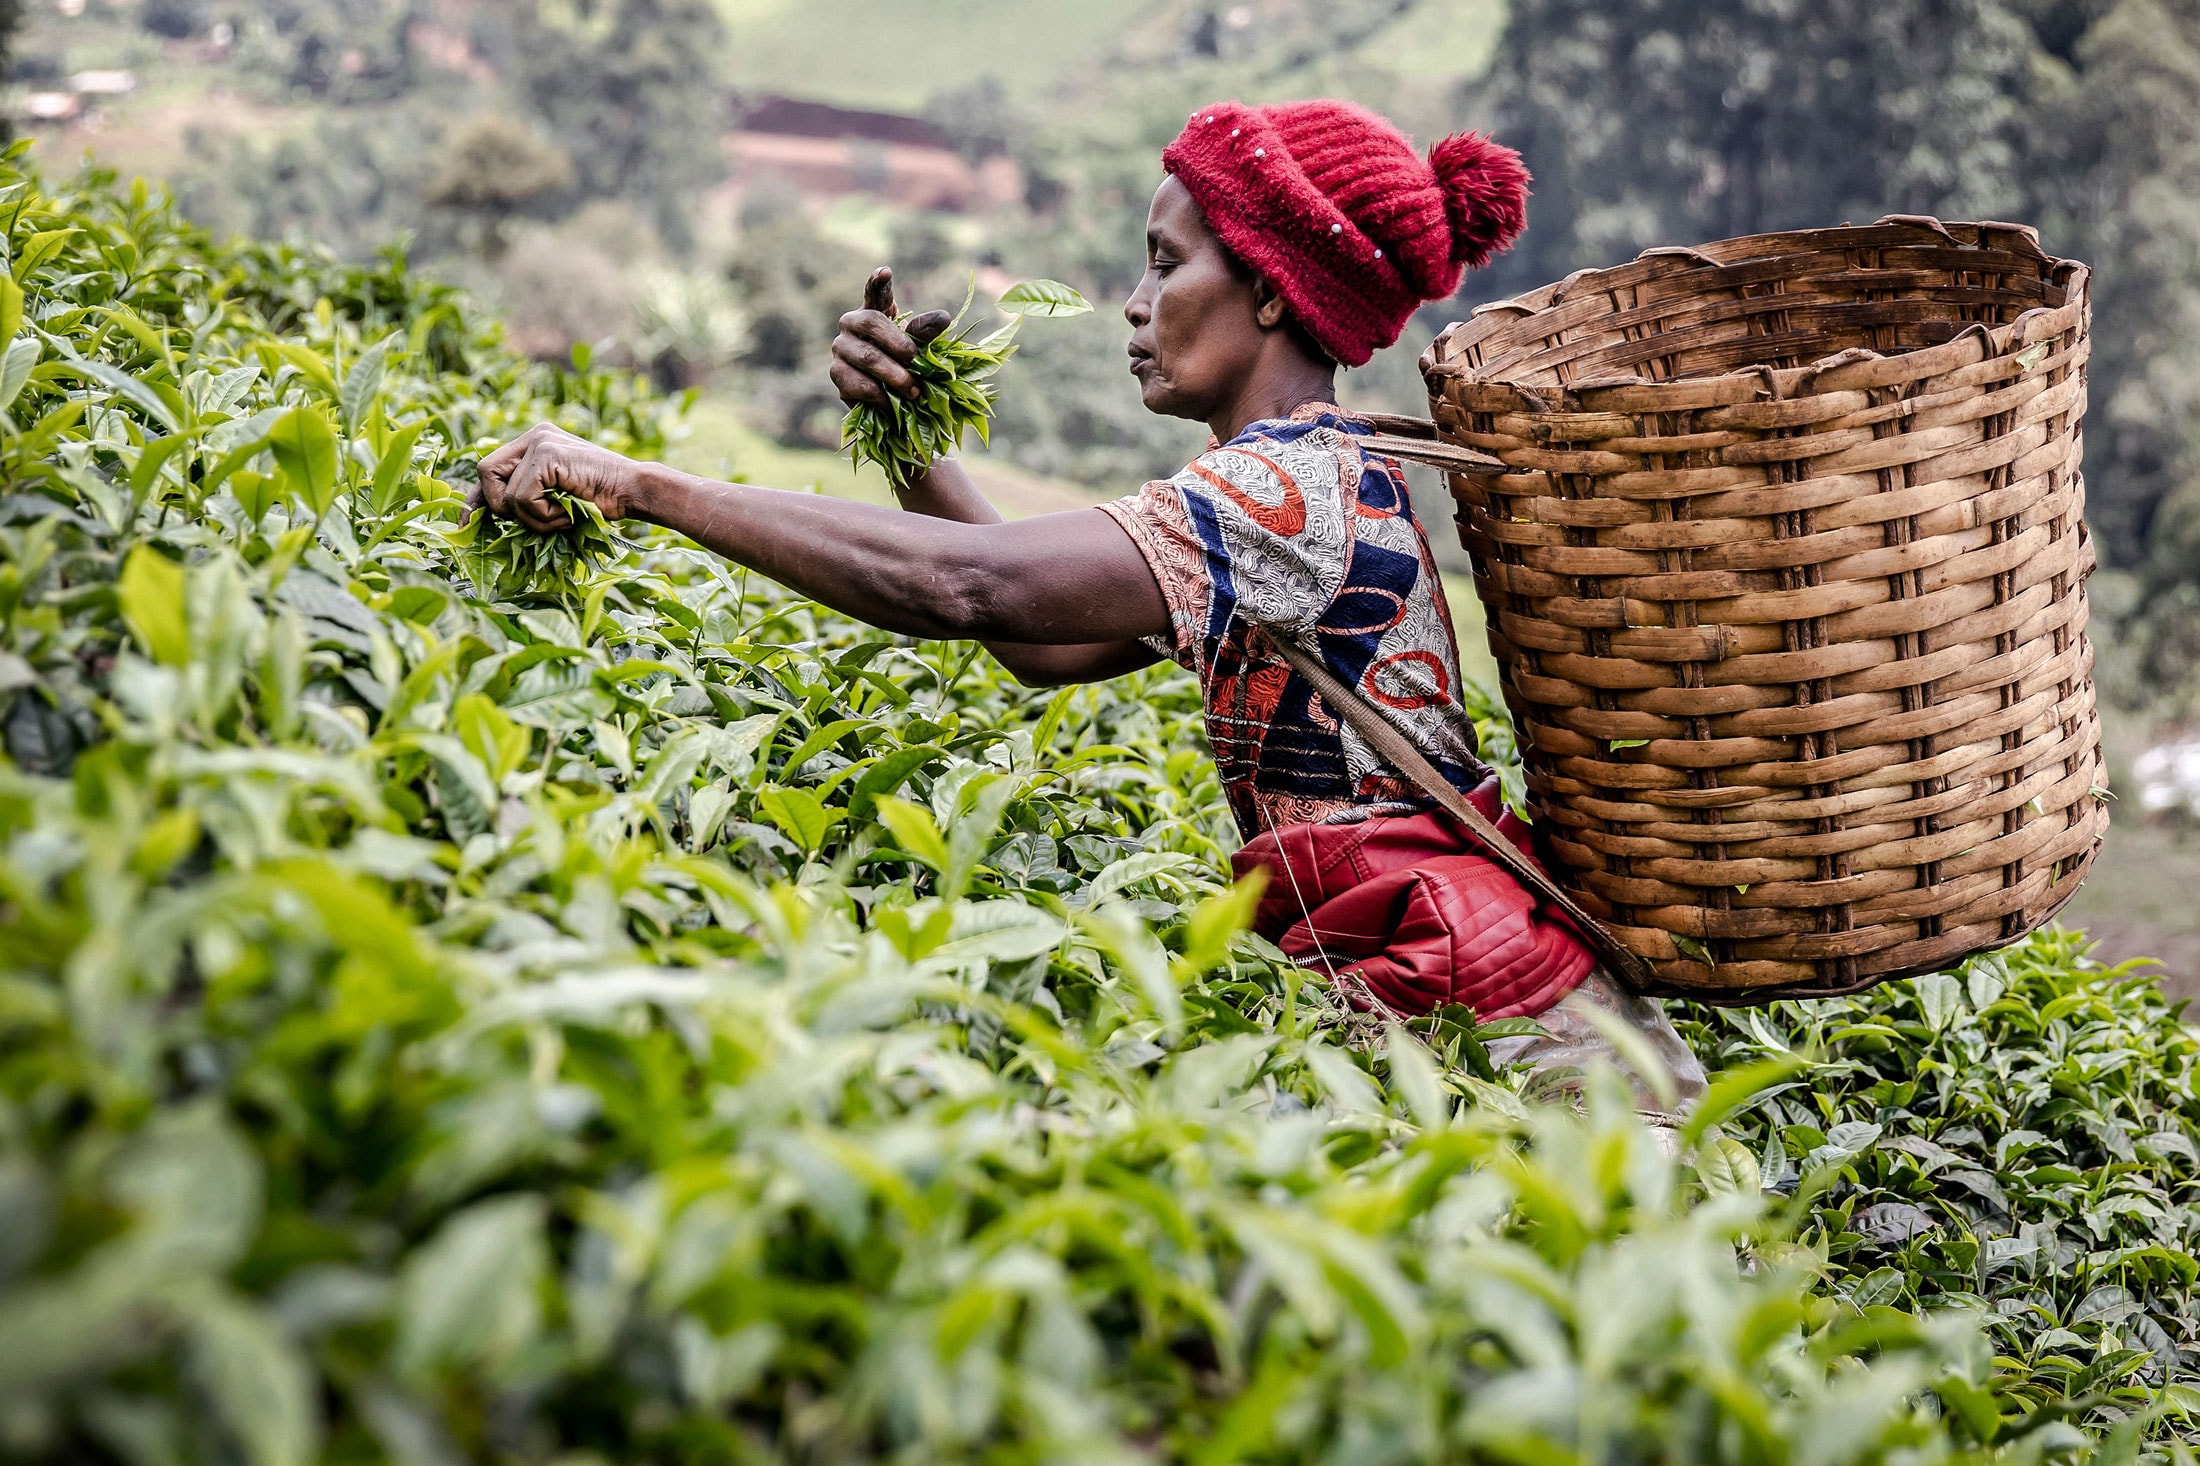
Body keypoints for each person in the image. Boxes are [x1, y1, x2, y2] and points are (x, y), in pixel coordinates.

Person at [466, 99, 1704, 1121]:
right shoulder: (1301, 477)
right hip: (1469, 1001)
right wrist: (912, 434)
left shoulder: (1282, 490)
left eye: (1167, 264)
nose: (1132, 299)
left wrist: (646, 484)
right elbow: (1037, 638)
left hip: (1536, 1048)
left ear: (1271, 291)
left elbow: (966, 588)